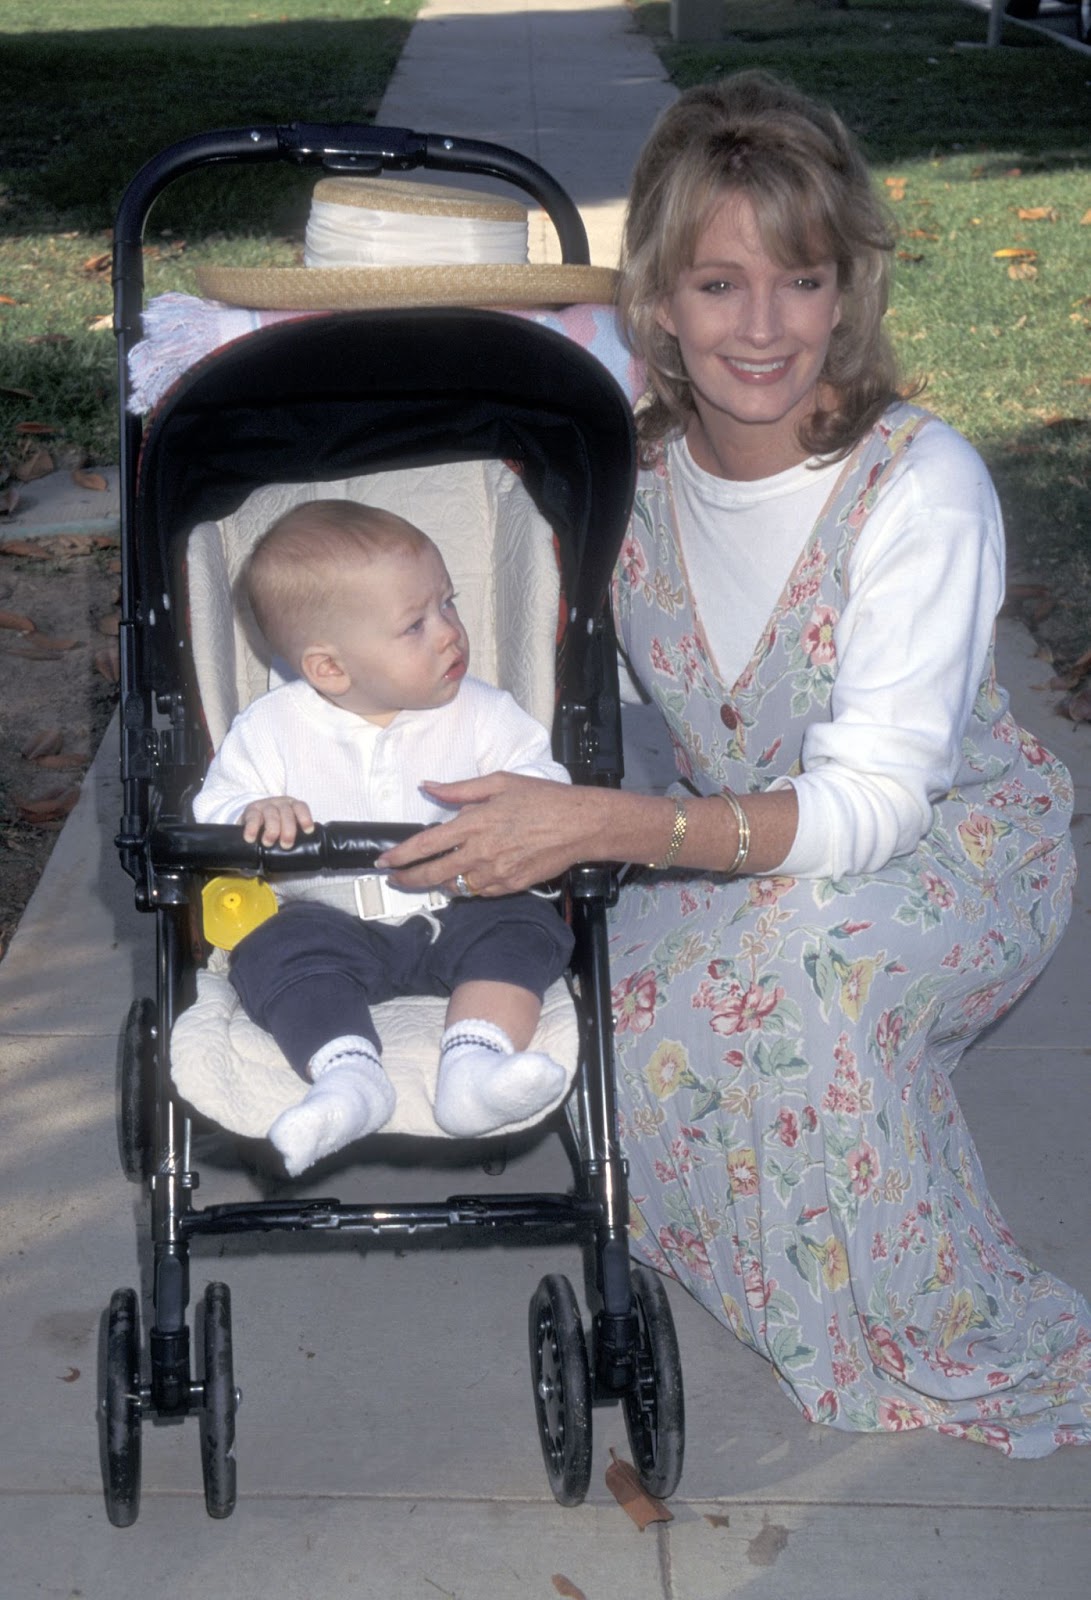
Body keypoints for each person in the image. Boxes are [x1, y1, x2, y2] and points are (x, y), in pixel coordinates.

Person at [377, 71, 1091, 1457]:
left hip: (950, 852)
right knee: (625, 1010)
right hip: (732, 838)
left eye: (799, 281)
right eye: (716, 285)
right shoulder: (623, 479)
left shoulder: (918, 484)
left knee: (797, 981)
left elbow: (875, 806)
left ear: (847, 292)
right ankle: (789, 1275)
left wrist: (608, 825)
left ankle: (938, 1334)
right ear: (654, 300)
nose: (760, 329)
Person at [192, 500, 574, 1176]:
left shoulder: (486, 716)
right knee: (270, 949)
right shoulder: (272, 728)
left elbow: (544, 794)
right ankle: (348, 1078)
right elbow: (213, 810)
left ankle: (474, 1067)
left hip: (461, 907)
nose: (450, 633)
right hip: (327, 920)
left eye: (449, 605)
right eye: (415, 625)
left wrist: (506, 818)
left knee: (526, 924)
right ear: (330, 668)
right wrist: (255, 811)